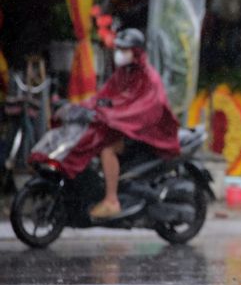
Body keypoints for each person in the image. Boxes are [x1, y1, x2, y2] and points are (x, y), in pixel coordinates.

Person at [61, 29, 181, 219]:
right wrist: (83, 107)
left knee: (107, 149)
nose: (120, 53)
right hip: (127, 130)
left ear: (136, 52)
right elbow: (107, 98)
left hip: (148, 135)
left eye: (124, 50)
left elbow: (143, 109)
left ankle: (111, 201)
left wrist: (115, 117)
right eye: (119, 49)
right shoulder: (123, 74)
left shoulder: (149, 78)